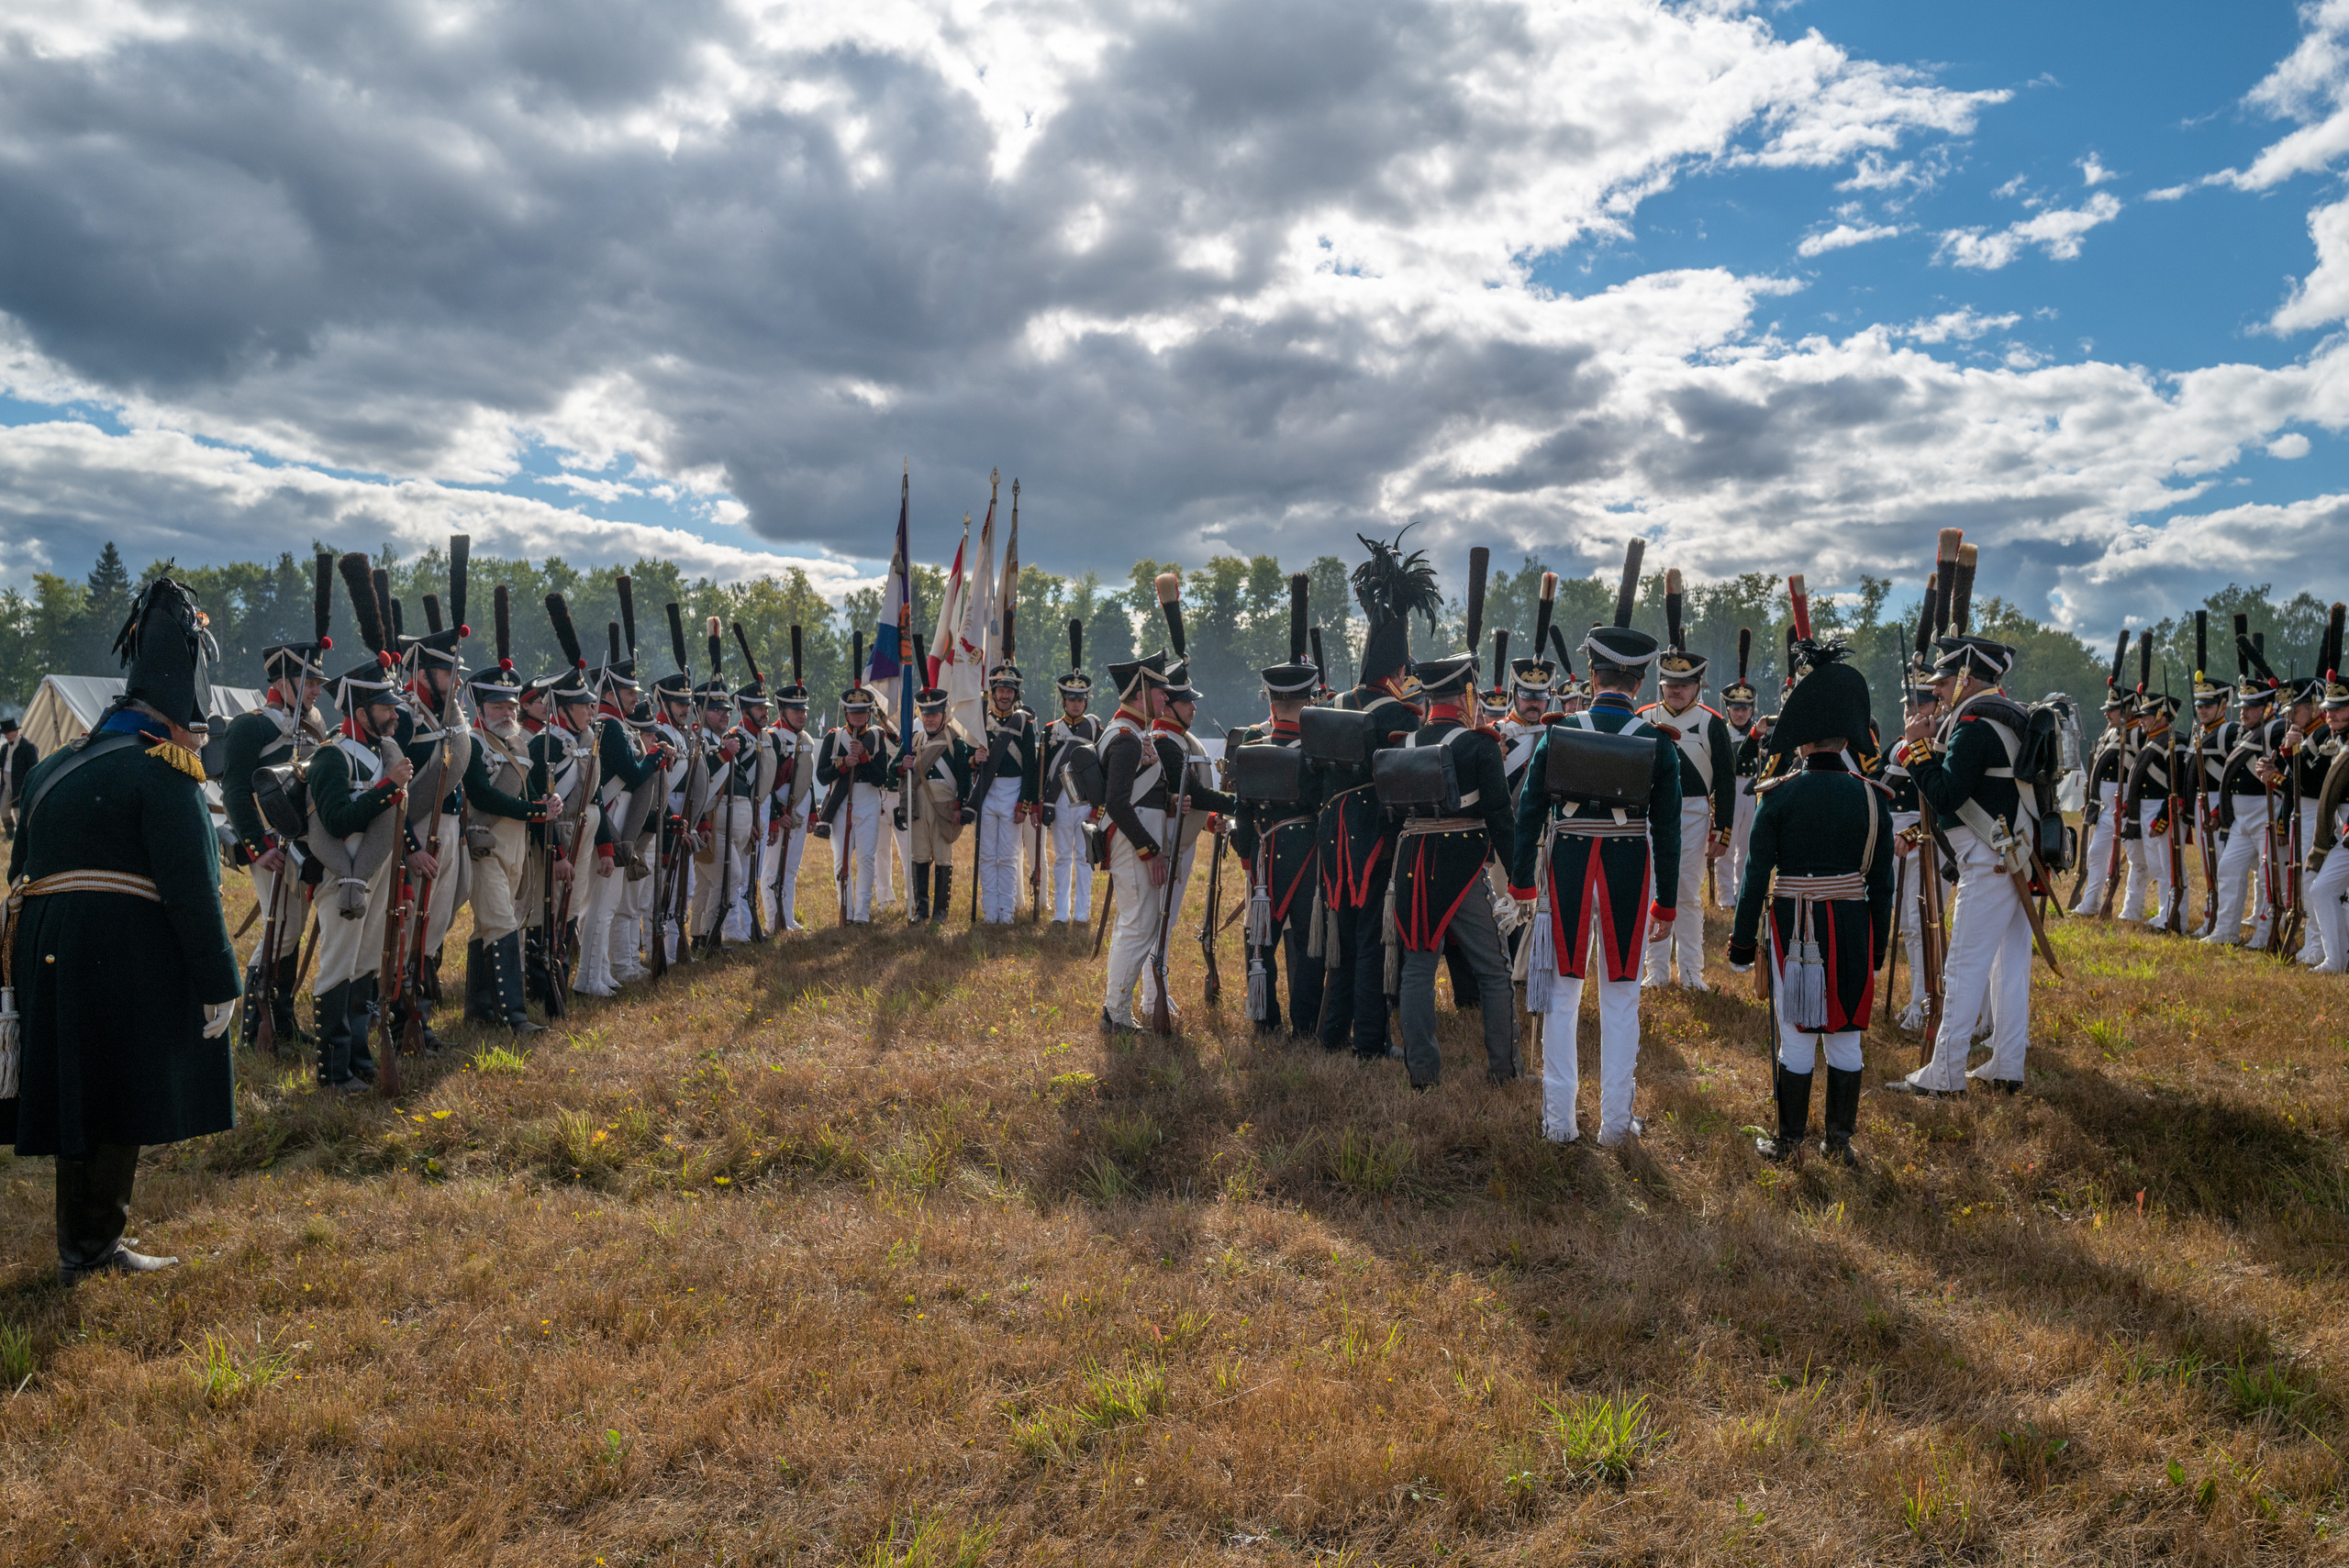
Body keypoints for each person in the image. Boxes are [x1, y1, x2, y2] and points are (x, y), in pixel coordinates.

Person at [4, 577, 238, 1283]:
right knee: (112, 1097)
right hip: (115, 953)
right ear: (177, 715)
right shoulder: (165, 771)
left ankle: (85, 1244)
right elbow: (193, 889)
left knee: (83, 1095)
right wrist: (219, 979)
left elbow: (20, 869)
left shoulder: (51, 768)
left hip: (44, 949)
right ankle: (92, 1250)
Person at [1508, 605, 1681, 1147]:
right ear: (1642, 679)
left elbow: (1529, 811)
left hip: (1570, 863)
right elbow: (1670, 830)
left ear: (1591, 675)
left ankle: (1558, 1122)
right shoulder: (1658, 742)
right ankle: (1614, 1123)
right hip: (1630, 866)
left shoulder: (1559, 733)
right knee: (1621, 995)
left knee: (1563, 994)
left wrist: (1521, 882)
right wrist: (1667, 902)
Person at [1725, 641, 1894, 1164]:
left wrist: (1740, 943)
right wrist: (1879, 946)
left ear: (1800, 743)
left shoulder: (1777, 796)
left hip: (1793, 924)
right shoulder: (1872, 797)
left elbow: (1756, 875)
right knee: (1846, 1039)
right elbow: (1882, 882)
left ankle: (1790, 1142)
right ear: (1848, 737)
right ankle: (1839, 1144)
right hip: (1852, 927)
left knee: (1796, 1038)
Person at [1884, 631, 2043, 1097]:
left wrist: (1916, 749)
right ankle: (2007, 1064)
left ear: (1968, 678)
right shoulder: (2008, 717)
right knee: (2009, 966)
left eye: (1946, 680)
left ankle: (1946, 1074)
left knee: (1963, 968)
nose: (1938, 689)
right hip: (2016, 854)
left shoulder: (1974, 724)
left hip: (1989, 858)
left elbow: (1947, 794)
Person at [1316, 533, 1435, 1058]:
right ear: (1399, 667)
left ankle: (1330, 1031)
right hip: (1372, 832)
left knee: (1342, 933)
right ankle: (1368, 1040)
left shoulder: (1337, 702)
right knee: (1368, 936)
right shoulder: (1400, 713)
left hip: (1331, 827)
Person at [217, 551, 331, 1051]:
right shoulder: (252, 726)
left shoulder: (314, 726)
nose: (316, 694)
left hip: (302, 844)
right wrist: (259, 845)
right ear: (282, 682)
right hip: (270, 843)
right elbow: (234, 790)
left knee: (295, 930)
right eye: (309, 683)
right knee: (279, 932)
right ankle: (255, 1027)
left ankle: (282, 1022)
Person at [1389, 643, 1518, 1088]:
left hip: (1412, 861)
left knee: (1418, 969)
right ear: (1466, 695)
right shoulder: (1480, 746)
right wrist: (1520, 877)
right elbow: (1500, 815)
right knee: (1494, 970)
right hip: (1462, 859)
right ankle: (1505, 1069)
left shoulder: (1403, 743)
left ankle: (1422, 1073)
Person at [305, 568, 413, 1090]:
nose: (394, 715)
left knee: (367, 964)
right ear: (358, 707)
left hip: (376, 874)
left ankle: (360, 1060)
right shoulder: (332, 758)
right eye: (385, 707)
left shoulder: (379, 753)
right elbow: (336, 821)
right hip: (342, 874)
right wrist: (387, 787)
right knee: (338, 966)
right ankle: (332, 1071)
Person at [1097, 648, 1235, 1031]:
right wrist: (1150, 852)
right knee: (1139, 926)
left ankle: (1118, 1011)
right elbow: (1117, 804)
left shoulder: (1135, 733)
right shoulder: (1126, 738)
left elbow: (1141, 795)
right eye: (1159, 690)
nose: (1165, 696)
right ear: (1141, 694)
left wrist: (1173, 800)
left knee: (1138, 924)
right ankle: (1117, 1014)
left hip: (1136, 840)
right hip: (1133, 844)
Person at [1226, 584, 1326, 1037]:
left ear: (1270, 701)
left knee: (1259, 938)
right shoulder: (1317, 751)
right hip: (1306, 851)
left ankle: (1264, 1019)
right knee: (1307, 942)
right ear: (1309, 699)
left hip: (1262, 854)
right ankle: (1305, 1024)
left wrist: (1248, 857)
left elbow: (1240, 812)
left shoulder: (1250, 747)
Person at [461, 607, 559, 1030]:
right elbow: (482, 795)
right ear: (480, 707)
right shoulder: (470, 744)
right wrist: (534, 810)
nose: (507, 712)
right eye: (498, 705)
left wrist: (545, 806)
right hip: (483, 841)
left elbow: (528, 788)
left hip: (515, 843)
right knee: (501, 923)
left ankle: (478, 1010)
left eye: (511, 704)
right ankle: (514, 1017)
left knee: (493, 924)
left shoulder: (518, 745)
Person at [1637, 573, 1735, 990]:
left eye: (1685, 683)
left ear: (1699, 685)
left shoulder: (1713, 724)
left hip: (1695, 813)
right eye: (1670, 683)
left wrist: (1723, 830)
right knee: (1654, 891)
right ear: (1661, 683)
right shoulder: (1642, 718)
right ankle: (1655, 972)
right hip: (1648, 812)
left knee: (1688, 895)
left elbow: (1727, 781)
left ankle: (1692, 972)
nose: (1676, 690)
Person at [577, 618, 669, 995]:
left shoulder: (612, 724)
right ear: (612, 691)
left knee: (605, 906)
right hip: (611, 818)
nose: (635, 697)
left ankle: (600, 972)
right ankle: (589, 978)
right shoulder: (611, 726)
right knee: (603, 906)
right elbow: (632, 776)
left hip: (614, 815)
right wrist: (656, 758)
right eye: (629, 690)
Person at [817, 681, 901, 923]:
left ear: (869, 713)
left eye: (863, 711)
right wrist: (843, 764)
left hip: (868, 801)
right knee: (840, 860)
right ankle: (847, 910)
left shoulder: (876, 737)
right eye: (853, 711)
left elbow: (881, 778)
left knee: (866, 858)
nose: (858, 715)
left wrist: (864, 759)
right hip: (840, 804)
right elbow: (822, 776)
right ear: (846, 712)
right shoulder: (834, 738)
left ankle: (863, 913)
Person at [1041, 621, 1103, 929]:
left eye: (1080, 699)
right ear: (1063, 700)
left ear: (1086, 700)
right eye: (1070, 699)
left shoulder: (1094, 727)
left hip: (1086, 801)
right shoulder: (1051, 731)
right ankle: (1060, 913)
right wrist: (1046, 802)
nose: (1075, 703)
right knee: (1063, 858)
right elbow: (1044, 771)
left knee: (1085, 859)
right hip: (1060, 801)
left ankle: (1082, 914)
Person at [2208, 681, 2278, 945]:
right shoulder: (2248, 733)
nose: (2243, 712)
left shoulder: (2277, 729)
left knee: (2269, 877)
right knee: (2227, 869)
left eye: (2251, 707)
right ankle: (2225, 931)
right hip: (2241, 816)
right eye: (2242, 706)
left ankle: (2266, 934)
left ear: (2268, 708)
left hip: (2266, 812)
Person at [899, 684, 977, 921]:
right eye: (925, 714)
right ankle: (921, 910)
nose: (929, 719)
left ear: (944, 714)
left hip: (944, 808)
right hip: (918, 807)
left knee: (943, 858)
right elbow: (894, 770)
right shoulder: (914, 740)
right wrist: (902, 765)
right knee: (919, 856)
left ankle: (940, 912)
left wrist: (960, 807)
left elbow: (965, 780)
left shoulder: (956, 742)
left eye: (934, 714)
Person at [685, 671, 749, 952]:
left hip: (713, 824)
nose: (724, 715)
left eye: (726, 710)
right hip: (704, 822)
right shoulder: (698, 740)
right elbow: (695, 778)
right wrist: (723, 754)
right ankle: (710, 936)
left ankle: (699, 936)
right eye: (716, 710)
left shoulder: (718, 741)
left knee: (704, 884)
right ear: (701, 710)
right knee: (729, 877)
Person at [973, 664, 1042, 923]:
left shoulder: (1024, 722)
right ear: (993, 691)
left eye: (1009, 691)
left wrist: (1024, 803)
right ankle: (990, 911)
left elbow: (1030, 767)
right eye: (1000, 690)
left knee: (1009, 856)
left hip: (1013, 790)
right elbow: (968, 756)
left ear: (1016, 694)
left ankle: (1008, 911)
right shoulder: (980, 719)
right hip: (987, 791)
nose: (1004, 695)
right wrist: (974, 758)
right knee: (988, 855)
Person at [759, 639, 818, 934]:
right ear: (782, 710)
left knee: (791, 867)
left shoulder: (805, 739)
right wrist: (775, 814)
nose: (802, 715)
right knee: (772, 868)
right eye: (795, 710)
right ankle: (773, 920)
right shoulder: (770, 737)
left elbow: (807, 779)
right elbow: (766, 783)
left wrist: (811, 813)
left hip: (800, 804)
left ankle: (788, 917)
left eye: (804, 709)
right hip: (777, 807)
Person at [2121, 692, 2188, 930]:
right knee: (2159, 869)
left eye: (2146, 716)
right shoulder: (2153, 740)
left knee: (2171, 868)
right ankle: (2164, 914)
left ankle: (2175, 917)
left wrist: (2163, 817)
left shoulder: (2174, 741)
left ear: (2161, 715)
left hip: (2163, 809)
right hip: (2149, 809)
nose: (2140, 720)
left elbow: (2177, 783)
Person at [2071, 687, 2137, 917]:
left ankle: (2132, 910)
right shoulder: (2111, 733)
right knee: (2096, 853)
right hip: (2107, 808)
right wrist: (2090, 802)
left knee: (2138, 861)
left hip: (2126, 807)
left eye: (2113, 710)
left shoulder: (2137, 733)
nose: (2107, 715)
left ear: (2127, 710)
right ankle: (2091, 903)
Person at [2301, 673, 2349, 972]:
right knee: (2321, 889)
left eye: (2339, 708)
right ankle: (2335, 960)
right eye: (2329, 708)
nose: (2329, 714)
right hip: (2345, 833)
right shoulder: (2338, 742)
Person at [1719, 637, 1761, 902]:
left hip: (1753, 790)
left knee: (1746, 846)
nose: (1741, 713)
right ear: (1729, 709)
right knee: (1726, 844)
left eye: (1745, 708)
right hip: (1730, 788)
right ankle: (1725, 896)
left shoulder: (1759, 734)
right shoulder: (1722, 733)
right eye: (1736, 708)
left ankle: (1740, 891)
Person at [0, 716, 38, 838]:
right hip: (5, 783)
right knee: (3, 808)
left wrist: (28, 786)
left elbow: (34, 769)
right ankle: (10, 834)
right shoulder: (4, 748)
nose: (7, 736)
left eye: (8, 733)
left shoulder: (28, 747)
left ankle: (21, 837)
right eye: (5, 733)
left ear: (16, 732)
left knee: (19, 813)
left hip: (20, 784)